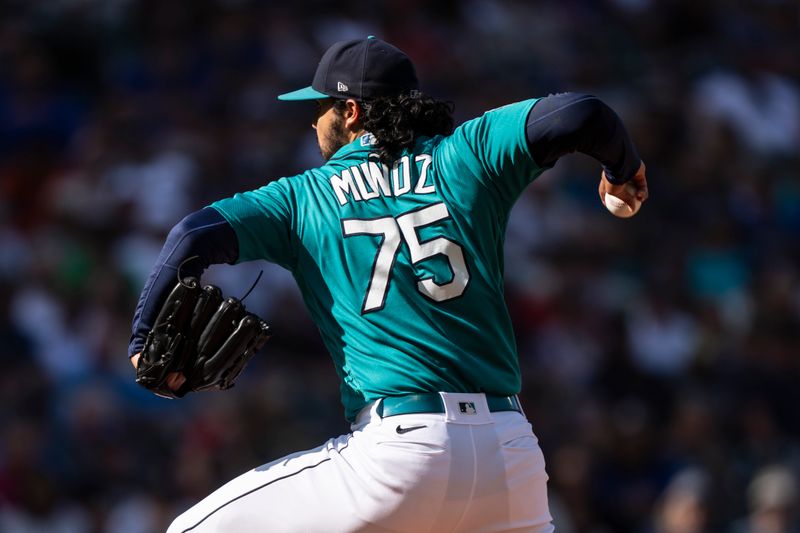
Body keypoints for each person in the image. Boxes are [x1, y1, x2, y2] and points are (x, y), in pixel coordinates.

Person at [129, 36, 648, 532]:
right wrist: (623, 170)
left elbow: (192, 235)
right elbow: (582, 114)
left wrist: (140, 340)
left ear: (350, 112)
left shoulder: (303, 198)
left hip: (400, 454)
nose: (313, 122)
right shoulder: (466, 155)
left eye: (321, 107)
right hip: (510, 462)